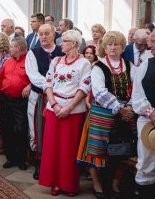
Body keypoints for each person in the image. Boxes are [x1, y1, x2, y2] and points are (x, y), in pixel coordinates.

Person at [77, 31, 135, 199]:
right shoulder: (98, 66)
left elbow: (136, 89)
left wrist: (129, 108)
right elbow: (99, 92)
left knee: (123, 148)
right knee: (97, 150)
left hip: (125, 114)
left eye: (116, 44)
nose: (113, 47)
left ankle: (116, 183)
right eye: (109, 44)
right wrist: (120, 108)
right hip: (102, 113)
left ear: (123, 47)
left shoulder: (130, 65)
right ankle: (97, 184)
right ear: (104, 47)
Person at [38, 29, 91, 197]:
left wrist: (68, 108)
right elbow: (47, 83)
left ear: (75, 43)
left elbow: (84, 87)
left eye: (65, 41)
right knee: (52, 148)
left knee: (69, 149)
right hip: (55, 109)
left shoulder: (84, 63)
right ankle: (54, 183)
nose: (61, 43)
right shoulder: (56, 61)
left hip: (73, 111)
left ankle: (68, 184)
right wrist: (54, 104)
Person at [25, 24, 63, 180]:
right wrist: (50, 87)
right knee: (37, 130)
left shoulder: (62, 52)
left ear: (54, 34)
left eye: (47, 33)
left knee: (55, 131)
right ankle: (39, 163)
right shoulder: (32, 54)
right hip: (38, 97)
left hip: (60, 99)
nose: (43, 37)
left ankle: (56, 164)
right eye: (40, 34)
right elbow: (33, 76)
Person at [0, 36, 31, 170]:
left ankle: (21, 160)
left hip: (20, 102)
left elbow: (38, 78)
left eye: (11, 47)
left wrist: (30, 85)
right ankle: (10, 158)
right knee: (6, 129)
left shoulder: (29, 62)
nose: (10, 49)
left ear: (18, 48)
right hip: (5, 100)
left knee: (20, 130)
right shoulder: (8, 61)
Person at [132, 28, 155, 199]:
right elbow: (137, 95)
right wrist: (152, 112)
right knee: (148, 162)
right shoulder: (145, 64)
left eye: (153, 41)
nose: (149, 45)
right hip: (149, 122)